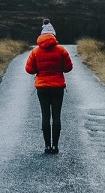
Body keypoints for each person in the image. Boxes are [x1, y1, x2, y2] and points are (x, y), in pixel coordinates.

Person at [25, 19, 73, 154]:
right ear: (53, 35)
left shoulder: (35, 52)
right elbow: (68, 68)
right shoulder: (61, 50)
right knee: (56, 116)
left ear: (41, 35)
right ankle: (55, 146)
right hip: (58, 87)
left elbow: (29, 70)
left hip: (42, 88)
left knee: (45, 116)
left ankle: (47, 146)